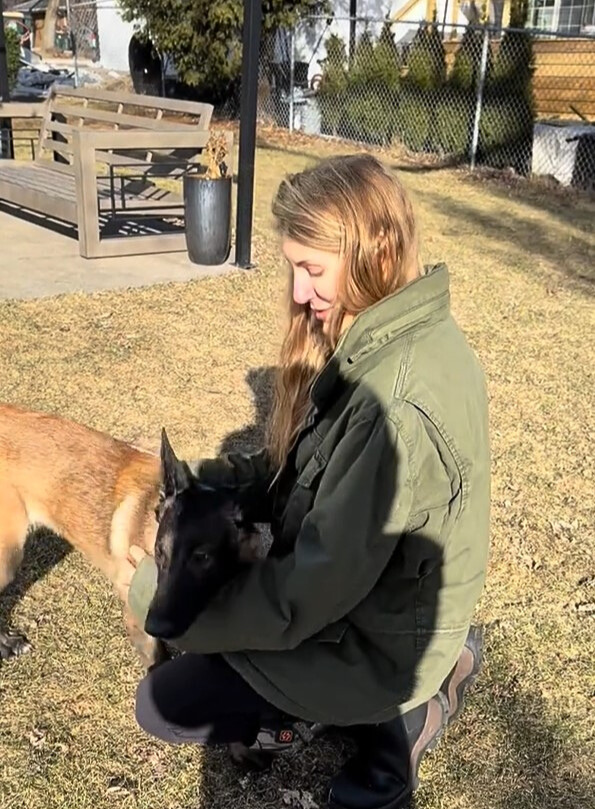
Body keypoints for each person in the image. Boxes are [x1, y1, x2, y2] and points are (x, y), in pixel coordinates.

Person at [125, 153, 491, 809]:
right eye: (295, 268)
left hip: (380, 646)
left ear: (373, 253)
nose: (298, 292)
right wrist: (205, 493)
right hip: (372, 608)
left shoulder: (395, 403)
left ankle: (405, 714)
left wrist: (175, 608)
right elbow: (297, 470)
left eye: (312, 270)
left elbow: (308, 592)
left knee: (166, 704)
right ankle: (361, 702)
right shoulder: (391, 339)